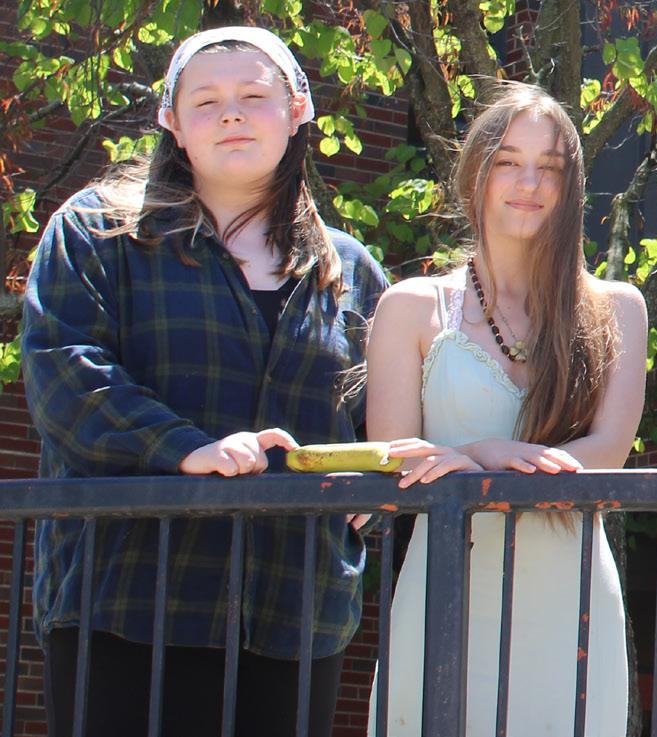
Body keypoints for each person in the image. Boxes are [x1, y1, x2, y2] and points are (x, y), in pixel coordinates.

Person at [18, 26, 390, 736]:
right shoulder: (96, 232)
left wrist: (373, 485)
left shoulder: (351, 272)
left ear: (298, 111)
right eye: (206, 101)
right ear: (172, 121)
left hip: (297, 614)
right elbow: (65, 375)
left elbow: (387, 418)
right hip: (128, 603)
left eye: (254, 96)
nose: (231, 115)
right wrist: (185, 449)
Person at [363, 82, 647, 736]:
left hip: (572, 603)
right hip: (446, 593)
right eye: (508, 161)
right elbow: (395, 462)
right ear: (475, 175)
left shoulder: (618, 308)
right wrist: (482, 455)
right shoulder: (410, 307)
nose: (529, 182)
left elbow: (606, 453)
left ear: (572, 187)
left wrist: (480, 464)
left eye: (550, 167)